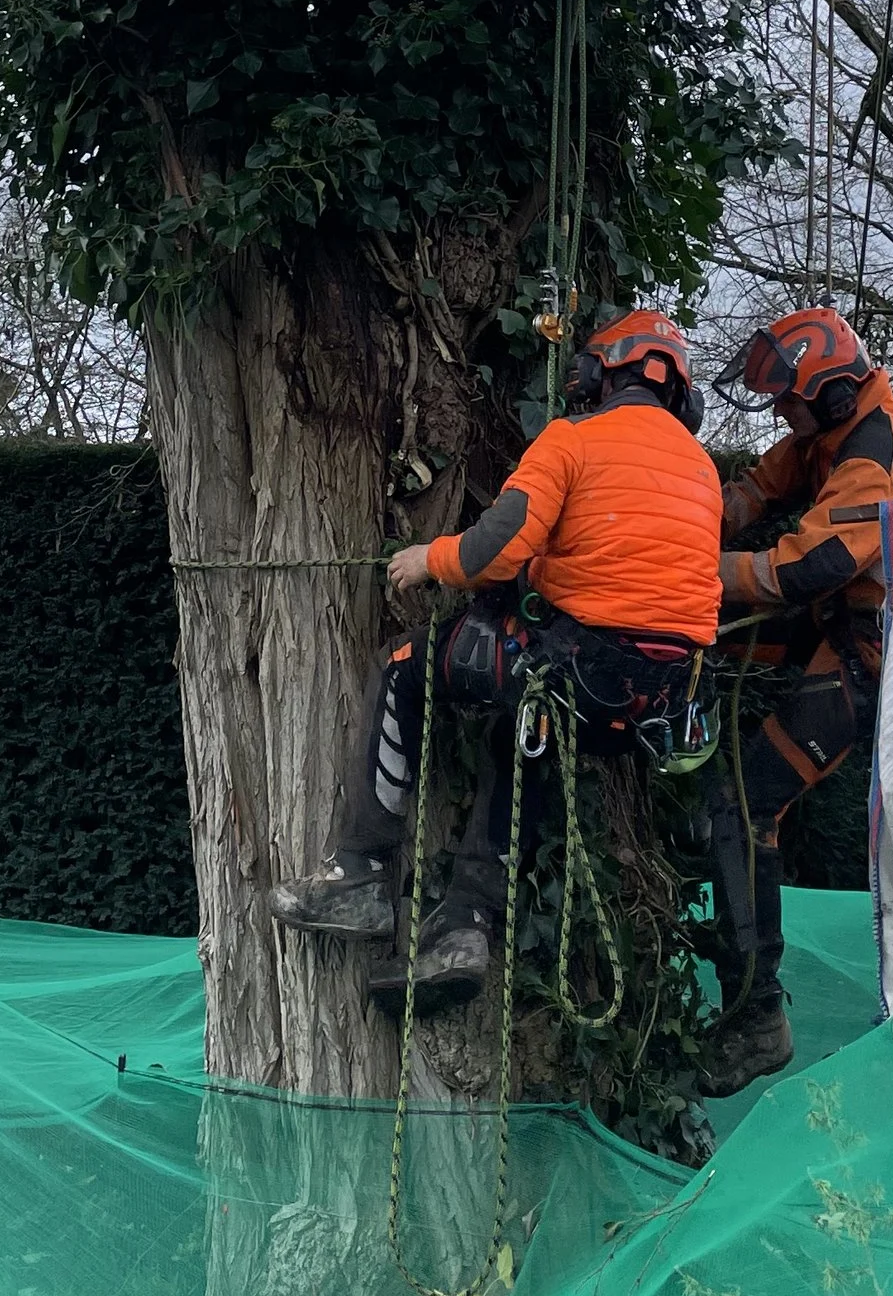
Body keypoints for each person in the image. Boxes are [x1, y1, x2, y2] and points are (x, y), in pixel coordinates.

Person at [269, 309, 726, 1016]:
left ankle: (358, 872)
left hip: (574, 665)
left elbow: (493, 551)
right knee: (527, 737)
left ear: (600, 373)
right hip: (655, 703)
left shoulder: (573, 437)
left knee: (403, 666)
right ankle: (465, 926)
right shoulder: (702, 469)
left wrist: (428, 558)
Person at [696, 304, 893, 1095]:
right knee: (700, 642)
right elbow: (756, 487)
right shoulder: (831, 434)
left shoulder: (871, 456)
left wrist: (698, 576)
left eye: (789, 401)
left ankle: (758, 1014)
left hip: (883, 652)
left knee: (740, 802)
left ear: (834, 393)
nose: (782, 414)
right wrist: (679, 516)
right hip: (846, 623)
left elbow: (802, 569)